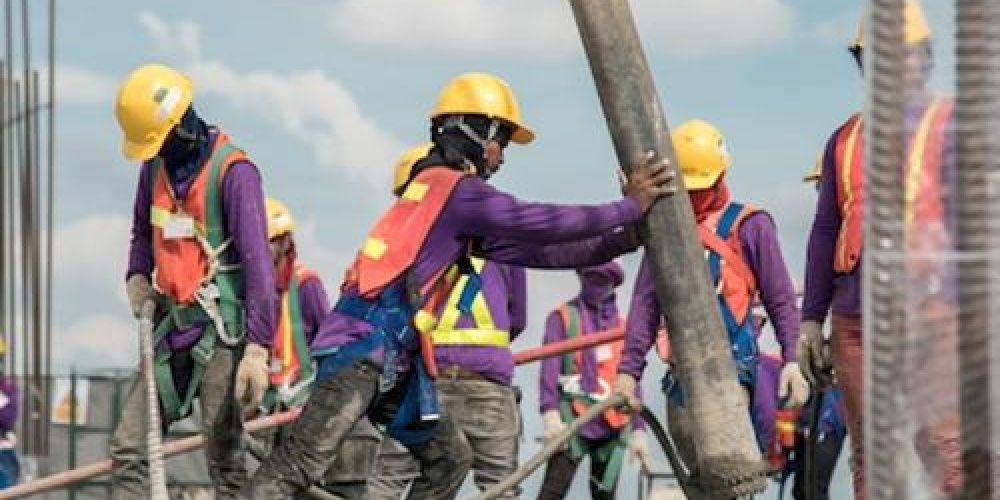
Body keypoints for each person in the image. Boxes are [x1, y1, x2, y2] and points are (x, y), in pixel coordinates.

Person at [245, 71, 673, 498]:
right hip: (364, 351)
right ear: (472, 132)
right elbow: (542, 222)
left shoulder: (437, 199)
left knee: (448, 459)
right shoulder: (456, 192)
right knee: (299, 463)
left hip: (389, 358)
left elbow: (546, 252)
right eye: (500, 141)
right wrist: (628, 207)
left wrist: (625, 237)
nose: (501, 157)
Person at [797, 2, 961, 496]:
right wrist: (811, 320)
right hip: (855, 323)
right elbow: (826, 228)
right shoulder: (844, 140)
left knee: (947, 449)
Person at [110, 63, 276, 499]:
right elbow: (141, 233)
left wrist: (258, 349)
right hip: (172, 326)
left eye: (159, 143)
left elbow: (259, 266)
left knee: (224, 458)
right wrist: (137, 274)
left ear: (180, 127)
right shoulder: (153, 170)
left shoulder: (234, 173)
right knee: (130, 449)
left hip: (219, 333)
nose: (155, 153)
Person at [615, 119, 806, 494]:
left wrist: (792, 358)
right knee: (704, 488)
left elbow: (780, 297)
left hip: (733, 377)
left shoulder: (751, 227)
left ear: (721, 177)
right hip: (680, 382)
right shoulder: (664, 230)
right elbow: (645, 305)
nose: (695, 198)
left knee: (730, 483)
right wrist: (628, 371)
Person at [366, 142, 529, 499]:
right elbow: (517, 319)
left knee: (389, 483)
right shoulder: (502, 232)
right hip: (486, 383)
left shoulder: (401, 242)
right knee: (499, 487)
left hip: (424, 384)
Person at [537, 262, 650, 500]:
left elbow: (633, 381)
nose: (596, 285)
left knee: (605, 495)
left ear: (613, 284)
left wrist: (639, 430)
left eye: (602, 280)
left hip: (613, 424)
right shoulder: (562, 318)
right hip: (571, 420)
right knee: (552, 492)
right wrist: (550, 413)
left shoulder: (623, 327)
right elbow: (549, 368)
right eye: (591, 277)